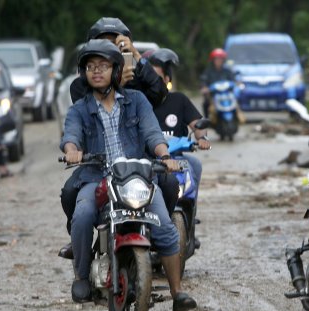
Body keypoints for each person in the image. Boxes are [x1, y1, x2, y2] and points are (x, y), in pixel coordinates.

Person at [61, 39, 196, 311]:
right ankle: (82, 276)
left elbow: (152, 134)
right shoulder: (79, 109)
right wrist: (72, 150)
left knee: (167, 229)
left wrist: (165, 157)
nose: (96, 71)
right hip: (96, 178)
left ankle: (177, 292)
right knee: (83, 214)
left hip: (137, 177)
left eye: (103, 66)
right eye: (90, 67)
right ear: (84, 73)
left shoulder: (137, 101)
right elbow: (71, 136)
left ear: (116, 69)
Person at [59, 17, 168, 259]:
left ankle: (160, 236)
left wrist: (137, 57)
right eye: (99, 50)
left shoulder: (137, 75)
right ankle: (79, 242)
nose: (104, 56)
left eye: (114, 46)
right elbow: (77, 122)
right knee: (70, 192)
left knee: (170, 183)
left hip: (140, 155)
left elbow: (161, 94)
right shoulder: (84, 85)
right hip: (99, 161)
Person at [148, 48, 211, 212]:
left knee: (195, 165)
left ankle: (190, 217)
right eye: (149, 79)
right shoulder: (138, 102)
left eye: (157, 79)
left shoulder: (179, 100)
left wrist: (202, 138)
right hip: (147, 159)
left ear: (167, 79)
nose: (152, 83)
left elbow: (197, 124)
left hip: (176, 158)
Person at [70, 17, 167, 108]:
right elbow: (88, 114)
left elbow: (160, 95)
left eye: (113, 44)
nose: (107, 49)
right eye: (102, 43)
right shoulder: (81, 84)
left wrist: (136, 55)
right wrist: (117, 85)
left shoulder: (134, 79)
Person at [200, 48, 235, 118]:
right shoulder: (208, 71)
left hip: (226, 94)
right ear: (213, 60)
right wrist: (204, 87)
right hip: (213, 95)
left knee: (236, 100)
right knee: (205, 103)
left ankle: (237, 117)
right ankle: (207, 120)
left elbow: (233, 80)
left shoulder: (227, 71)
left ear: (223, 60)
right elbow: (203, 80)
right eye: (217, 59)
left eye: (220, 59)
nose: (219, 60)